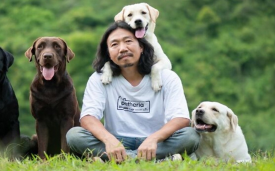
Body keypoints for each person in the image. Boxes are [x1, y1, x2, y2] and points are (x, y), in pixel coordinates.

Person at [66, 21, 199, 163]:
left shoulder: (166, 76)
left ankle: (120, 160)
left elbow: (181, 118)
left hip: (157, 142)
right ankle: (157, 160)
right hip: (116, 141)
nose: (122, 48)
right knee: (74, 135)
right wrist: (109, 140)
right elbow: (88, 117)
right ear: (109, 53)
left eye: (128, 41)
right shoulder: (99, 78)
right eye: (114, 44)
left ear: (141, 46)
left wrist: (153, 138)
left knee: (190, 136)